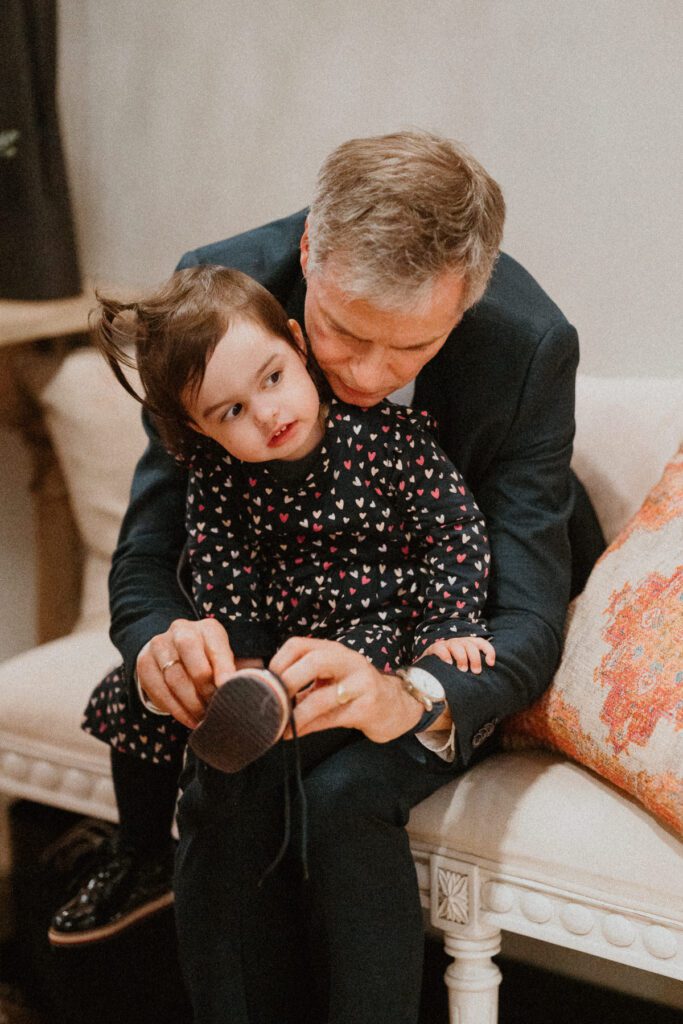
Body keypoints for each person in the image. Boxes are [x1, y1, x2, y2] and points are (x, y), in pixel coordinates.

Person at [62, 130, 604, 1023]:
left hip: (438, 621)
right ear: (308, 256)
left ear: (463, 306)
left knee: (343, 795)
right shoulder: (221, 291)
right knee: (230, 785)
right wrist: (159, 644)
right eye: (342, 332)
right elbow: (150, 554)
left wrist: (410, 695)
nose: (360, 373)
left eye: (409, 350)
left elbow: (525, 615)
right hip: (280, 639)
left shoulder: (530, 344)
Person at [50, 263, 494, 943]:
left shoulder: (387, 441)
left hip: (370, 629)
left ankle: (260, 764)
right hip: (278, 635)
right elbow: (225, 574)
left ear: (296, 344)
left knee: (309, 698)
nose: (266, 414)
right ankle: (142, 850)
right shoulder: (219, 479)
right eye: (230, 411)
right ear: (198, 430)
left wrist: (449, 622)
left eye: (272, 379)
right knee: (132, 694)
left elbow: (452, 531)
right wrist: (239, 658)